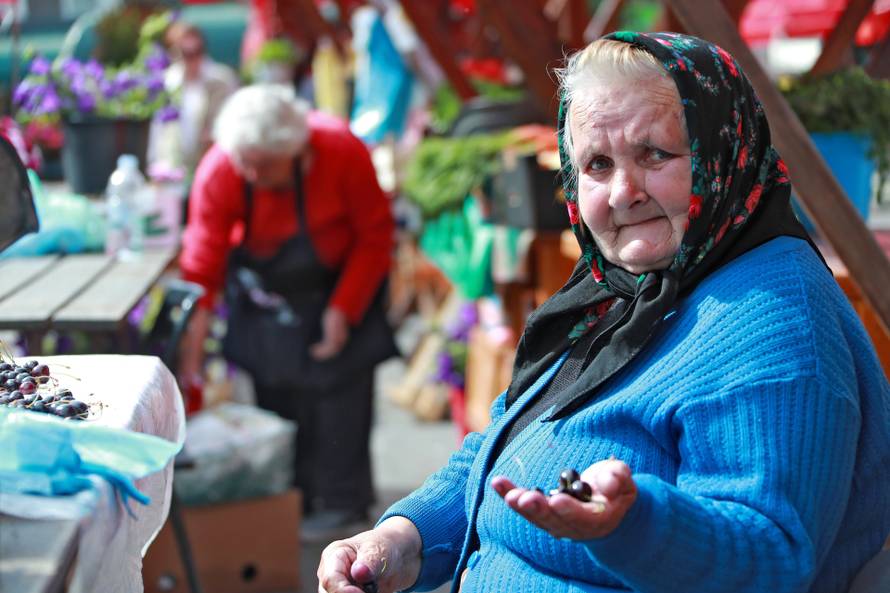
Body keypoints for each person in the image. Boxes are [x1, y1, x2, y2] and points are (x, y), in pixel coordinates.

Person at [317, 33, 890, 593]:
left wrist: (633, 523)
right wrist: (402, 539)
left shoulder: (773, 320)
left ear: (723, 148)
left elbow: (772, 557)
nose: (622, 192)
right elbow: (507, 450)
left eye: (654, 154)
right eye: (595, 165)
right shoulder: (624, 290)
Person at [178, 84, 397, 533]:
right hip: (268, 295)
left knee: (342, 404)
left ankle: (344, 506)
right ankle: (289, 502)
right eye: (246, 164)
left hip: (339, 280)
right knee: (278, 403)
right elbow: (202, 275)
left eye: (264, 166)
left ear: (297, 152)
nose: (252, 175)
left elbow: (376, 237)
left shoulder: (339, 149)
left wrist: (343, 309)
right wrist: (191, 367)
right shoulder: (220, 170)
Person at [150, 22, 239, 174]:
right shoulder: (166, 83)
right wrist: (155, 165)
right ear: (173, 52)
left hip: (212, 168)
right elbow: (158, 132)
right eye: (186, 53)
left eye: (197, 51)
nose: (193, 59)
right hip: (174, 171)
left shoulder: (223, 79)